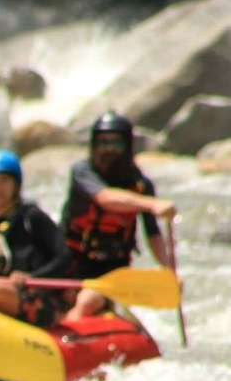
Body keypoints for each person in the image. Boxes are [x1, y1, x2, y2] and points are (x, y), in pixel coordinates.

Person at [59, 111, 177, 320]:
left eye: (116, 144)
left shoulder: (141, 184)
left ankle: (68, 341)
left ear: (127, 146)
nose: (108, 150)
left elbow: (153, 235)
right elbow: (105, 198)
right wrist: (151, 204)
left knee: (88, 301)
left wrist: (169, 272)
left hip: (114, 270)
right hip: (72, 263)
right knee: (63, 299)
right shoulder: (82, 172)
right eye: (103, 143)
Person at [0, 150, 69, 326]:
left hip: (38, 299)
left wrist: (31, 277)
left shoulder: (32, 217)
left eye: (4, 181)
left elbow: (64, 257)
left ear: (16, 184)